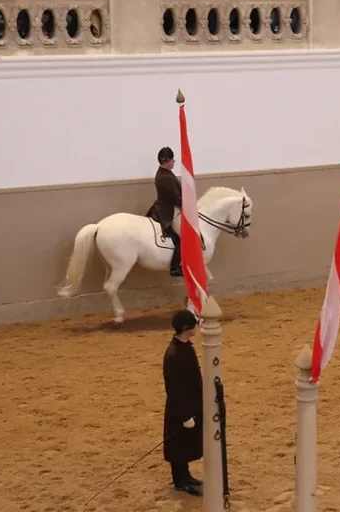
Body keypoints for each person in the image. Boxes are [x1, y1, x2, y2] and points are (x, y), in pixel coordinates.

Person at [163, 310, 204, 496]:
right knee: (178, 445)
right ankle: (179, 481)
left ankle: (185, 475)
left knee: (185, 444)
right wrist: (185, 415)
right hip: (180, 409)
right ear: (187, 328)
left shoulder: (185, 347)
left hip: (190, 405)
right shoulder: (173, 355)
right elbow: (174, 390)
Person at [147, 147, 183, 277]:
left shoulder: (165, 173)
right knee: (180, 239)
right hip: (165, 211)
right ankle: (174, 268)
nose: (174, 162)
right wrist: (186, 205)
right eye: (172, 159)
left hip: (170, 208)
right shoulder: (165, 177)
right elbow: (174, 197)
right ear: (166, 161)